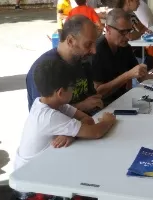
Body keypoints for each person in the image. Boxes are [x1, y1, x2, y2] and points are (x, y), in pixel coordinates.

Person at [14, 58, 116, 200]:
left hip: (43, 169)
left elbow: (88, 120)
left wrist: (70, 134)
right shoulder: (48, 116)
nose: (74, 90)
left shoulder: (52, 103)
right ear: (61, 92)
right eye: (72, 87)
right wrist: (108, 121)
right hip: (31, 186)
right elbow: (96, 132)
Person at [26, 15, 103, 115]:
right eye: (88, 45)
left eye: (94, 44)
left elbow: (92, 98)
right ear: (70, 41)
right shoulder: (45, 69)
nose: (94, 51)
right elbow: (43, 115)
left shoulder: (82, 60)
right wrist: (81, 106)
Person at [89, 9, 153, 106]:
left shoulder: (124, 46)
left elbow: (141, 77)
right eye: (123, 32)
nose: (128, 37)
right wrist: (127, 76)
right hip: (102, 106)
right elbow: (97, 93)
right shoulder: (97, 51)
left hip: (122, 99)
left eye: (129, 31)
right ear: (108, 29)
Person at [115, 0, 153, 71]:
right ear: (128, 2)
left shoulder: (131, 15)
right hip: (120, 54)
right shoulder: (118, 16)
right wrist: (141, 33)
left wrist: (141, 31)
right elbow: (129, 36)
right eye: (137, 1)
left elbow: (143, 28)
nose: (139, 3)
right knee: (148, 62)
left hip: (133, 50)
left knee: (151, 60)